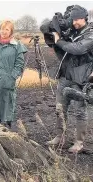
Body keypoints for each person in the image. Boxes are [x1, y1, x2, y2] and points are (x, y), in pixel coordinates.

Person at [46, 5, 93, 153]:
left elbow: (78, 49)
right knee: (60, 108)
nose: (75, 22)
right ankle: (60, 137)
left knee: (80, 111)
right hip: (65, 75)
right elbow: (44, 28)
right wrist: (56, 24)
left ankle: (79, 143)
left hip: (81, 78)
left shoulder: (90, 33)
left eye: (77, 19)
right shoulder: (70, 31)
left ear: (84, 18)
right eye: (73, 19)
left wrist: (59, 41)